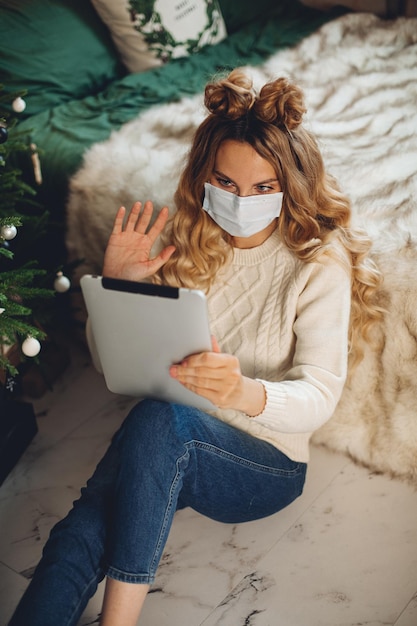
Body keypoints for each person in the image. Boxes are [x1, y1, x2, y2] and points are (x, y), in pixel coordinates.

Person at [9, 69, 382, 626]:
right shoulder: (188, 243)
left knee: (160, 421)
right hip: (173, 438)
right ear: (205, 178)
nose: (242, 200)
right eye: (227, 184)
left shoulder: (316, 261)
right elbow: (120, 366)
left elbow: (320, 394)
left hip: (265, 464)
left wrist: (244, 392)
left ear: (290, 186)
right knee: (85, 523)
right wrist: (119, 289)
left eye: (263, 188)